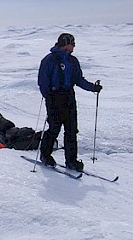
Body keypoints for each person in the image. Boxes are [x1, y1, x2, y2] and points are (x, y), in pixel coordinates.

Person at [37, 33, 102, 172]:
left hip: (69, 97)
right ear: (65, 43)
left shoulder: (73, 61)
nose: (73, 46)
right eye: (72, 43)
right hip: (54, 97)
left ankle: (71, 161)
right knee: (54, 128)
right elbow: (43, 81)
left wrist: (93, 88)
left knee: (71, 130)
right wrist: (48, 97)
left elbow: (79, 80)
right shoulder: (49, 60)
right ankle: (45, 155)